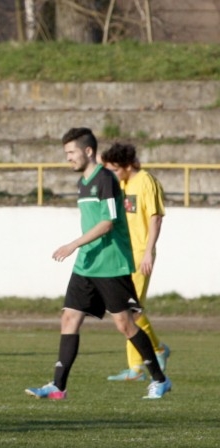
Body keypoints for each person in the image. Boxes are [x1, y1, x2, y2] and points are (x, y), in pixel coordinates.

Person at [25, 128, 172, 401]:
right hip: (87, 263)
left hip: (110, 263)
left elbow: (107, 223)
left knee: (125, 324)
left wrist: (73, 244)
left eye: (71, 152)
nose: (68, 158)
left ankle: (160, 379)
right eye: (66, 153)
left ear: (88, 151)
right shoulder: (83, 182)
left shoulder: (105, 179)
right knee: (69, 318)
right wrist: (80, 249)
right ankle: (58, 386)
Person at [100, 143, 170, 381]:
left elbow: (156, 218)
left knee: (131, 310)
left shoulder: (146, 181)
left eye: (115, 169)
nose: (112, 174)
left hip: (140, 253)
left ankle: (151, 355)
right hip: (123, 253)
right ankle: (140, 364)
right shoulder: (122, 183)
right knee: (126, 310)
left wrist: (149, 251)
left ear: (128, 166)